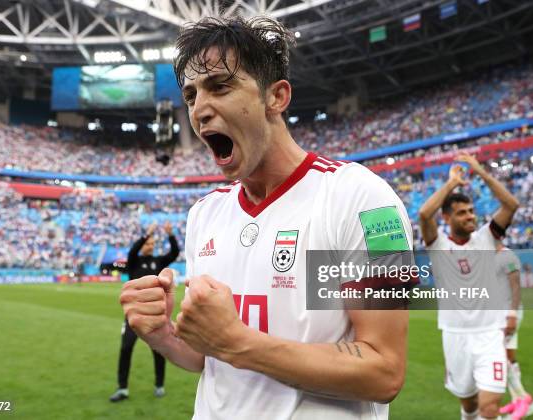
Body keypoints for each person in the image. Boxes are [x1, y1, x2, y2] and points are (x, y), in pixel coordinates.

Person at [120, 16, 413, 419]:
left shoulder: (361, 200)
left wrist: (237, 342)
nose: (200, 109)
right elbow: (208, 359)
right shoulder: (205, 215)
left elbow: (383, 371)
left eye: (220, 86)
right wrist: (163, 334)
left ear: (276, 97)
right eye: (190, 95)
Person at [418, 153, 519, 420]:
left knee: (489, 408)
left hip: (489, 334)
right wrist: (452, 183)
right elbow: (424, 214)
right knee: (470, 406)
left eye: (471, 211)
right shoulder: (439, 246)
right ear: (447, 218)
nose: (470, 217)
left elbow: (511, 205)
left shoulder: (486, 238)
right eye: (462, 213)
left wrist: (481, 173)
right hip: (454, 335)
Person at [109, 221, 179, 402]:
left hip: (155, 315)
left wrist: (170, 235)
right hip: (133, 315)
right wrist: (147, 234)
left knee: (158, 350)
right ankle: (122, 388)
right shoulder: (134, 261)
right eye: (148, 244)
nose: (151, 246)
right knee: (125, 348)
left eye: (153, 244)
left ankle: (159, 385)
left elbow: (174, 253)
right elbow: (132, 250)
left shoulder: (159, 261)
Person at [496, 243, 532, 420]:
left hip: (509, 312)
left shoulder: (507, 256)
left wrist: (512, 314)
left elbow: (515, 286)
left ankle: (522, 396)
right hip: (497, 313)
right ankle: (516, 398)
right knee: (509, 356)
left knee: (500, 355)